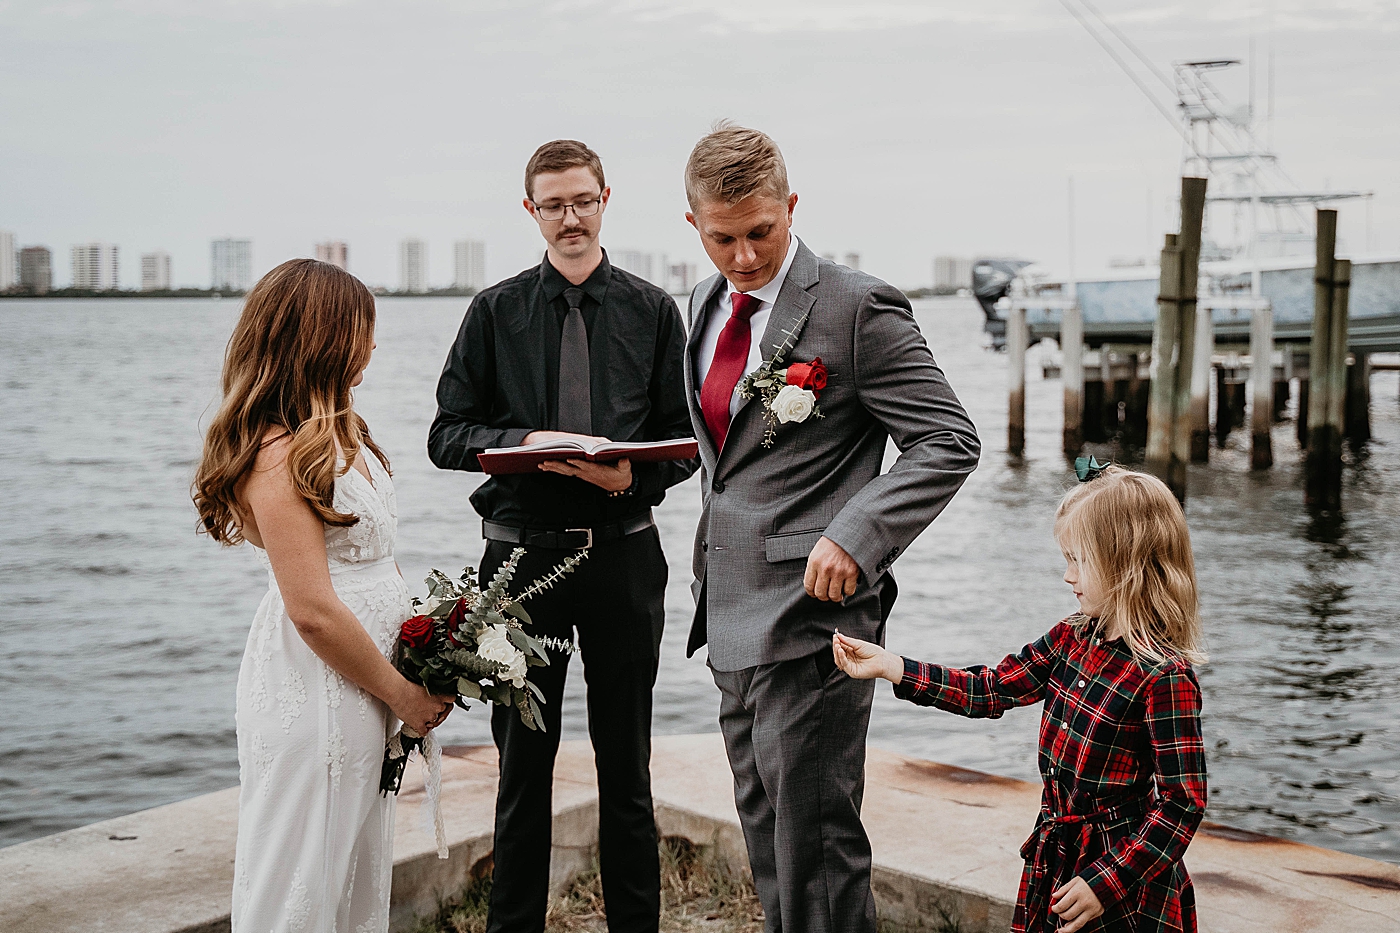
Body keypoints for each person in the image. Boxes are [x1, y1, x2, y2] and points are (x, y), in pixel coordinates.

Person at [679, 122, 981, 933]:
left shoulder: (856, 307)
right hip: (728, 613)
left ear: (792, 206)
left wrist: (858, 531)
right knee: (769, 840)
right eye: (722, 238)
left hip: (816, 621)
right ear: (693, 225)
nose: (745, 255)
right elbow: (726, 457)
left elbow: (948, 439)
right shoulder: (703, 304)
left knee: (816, 847)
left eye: (761, 231)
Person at [428, 139, 699, 933]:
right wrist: (526, 440)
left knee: (628, 769)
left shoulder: (655, 311)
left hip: (625, 555)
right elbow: (446, 434)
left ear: (605, 199)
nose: (570, 217)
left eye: (583, 200)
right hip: (519, 563)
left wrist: (630, 481)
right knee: (521, 772)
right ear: (531, 210)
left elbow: (688, 442)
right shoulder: (494, 311)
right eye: (554, 204)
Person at [193, 259, 454, 933]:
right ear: (323, 339)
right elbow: (310, 609)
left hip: (365, 681)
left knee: (351, 866)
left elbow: (374, 563)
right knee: (301, 874)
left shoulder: (342, 431)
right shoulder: (277, 453)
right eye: (363, 330)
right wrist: (404, 695)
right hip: (318, 686)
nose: (374, 345)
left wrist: (432, 646)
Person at [833, 465, 1208, 933]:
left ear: (1125, 565)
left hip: (1123, 878)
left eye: (1079, 560)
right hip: (1057, 856)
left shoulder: (1165, 677)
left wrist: (1105, 884)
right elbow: (991, 688)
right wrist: (893, 666)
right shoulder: (1071, 637)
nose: (1067, 576)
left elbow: (1181, 804)